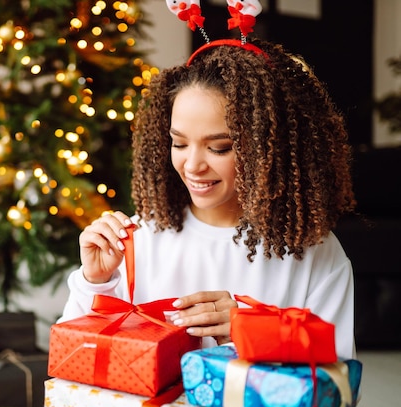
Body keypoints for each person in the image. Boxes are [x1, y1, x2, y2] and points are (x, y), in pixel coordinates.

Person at [57, 37, 357, 360]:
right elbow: (73, 356)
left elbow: (335, 384)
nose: (193, 166)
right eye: (179, 144)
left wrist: (252, 330)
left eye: (219, 148)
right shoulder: (138, 241)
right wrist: (96, 281)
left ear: (268, 147)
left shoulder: (315, 254)